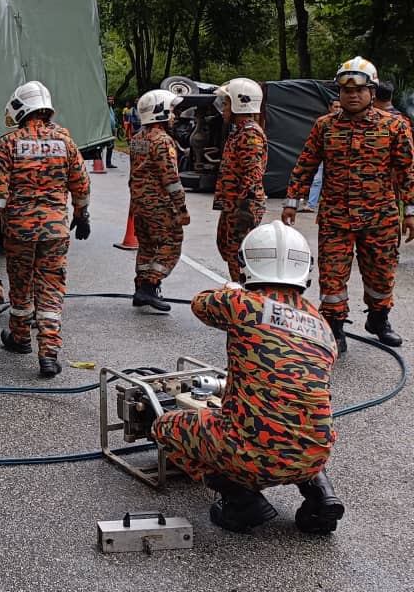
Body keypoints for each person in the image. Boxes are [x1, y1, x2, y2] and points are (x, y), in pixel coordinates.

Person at [152, 221, 343, 535]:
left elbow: (200, 304)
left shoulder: (241, 304)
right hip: (314, 453)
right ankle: (321, 494)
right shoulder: (321, 324)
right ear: (305, 269)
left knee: (163, 428)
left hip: (251, 455)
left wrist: (230, 291)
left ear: (246, 265)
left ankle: (242, 501)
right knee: (298, 422)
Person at [282, 56, 414, 351]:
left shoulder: (394, 127)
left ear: (372, 92)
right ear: (338, 93)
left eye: (359, 91)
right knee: (332, 280)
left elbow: (407, 171)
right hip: (335, 219)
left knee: (381, 276)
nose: (352, 96)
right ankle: (335, 329)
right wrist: (292, 201)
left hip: (380, 218)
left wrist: (411, 212)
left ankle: (379, 320)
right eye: (346, 91)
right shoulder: (325, 126)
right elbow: (306, 164)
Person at [0, 80, 91, 378]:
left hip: (19, 231)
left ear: (21, 109)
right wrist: (82, 214)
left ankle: (20, 338)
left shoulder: (9, 143)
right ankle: (49, 355)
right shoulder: (65, 141)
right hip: (55, 231)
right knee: (51, 291)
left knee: (21, 285)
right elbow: (80, 182)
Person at [128, 88, 189, 312]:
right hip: (160, 205)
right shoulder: (162, 141)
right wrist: (181, 208)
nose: (174, 115)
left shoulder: (137, 139)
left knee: (146, 246)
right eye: (171, 110)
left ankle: (141, 289)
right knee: (171, 243)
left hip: (140, 205)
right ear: (160, 112)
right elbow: (171, 179)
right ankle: (150, 286)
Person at [212, 78, 267, 282]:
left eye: (226, 103)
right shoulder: (239, 132)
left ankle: (243, 295)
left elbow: (252, 175)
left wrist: (245, 209)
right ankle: (239, 287)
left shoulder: (250, 134)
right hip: (233, 204)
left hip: (243, 205)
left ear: (239, 103)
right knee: (226, 247)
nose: (223, 108)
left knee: (238, 253)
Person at [300, 100, 341, 213]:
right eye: (336, 106)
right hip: (323, 154)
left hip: (338, 158)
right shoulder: (324, 122)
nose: (338, 109)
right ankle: (311, 204)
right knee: (316, 180)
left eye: (340, 107)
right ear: (330, 107)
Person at [102, 96, 118, 168]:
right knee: (102, 146)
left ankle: (108, 163)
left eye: (112, 99)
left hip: (112, 130)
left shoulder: (111, 108)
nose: (111, 101)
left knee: (111, 147)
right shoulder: (105, 108)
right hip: (106, 131)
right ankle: (97, 162)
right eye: (109, 99)